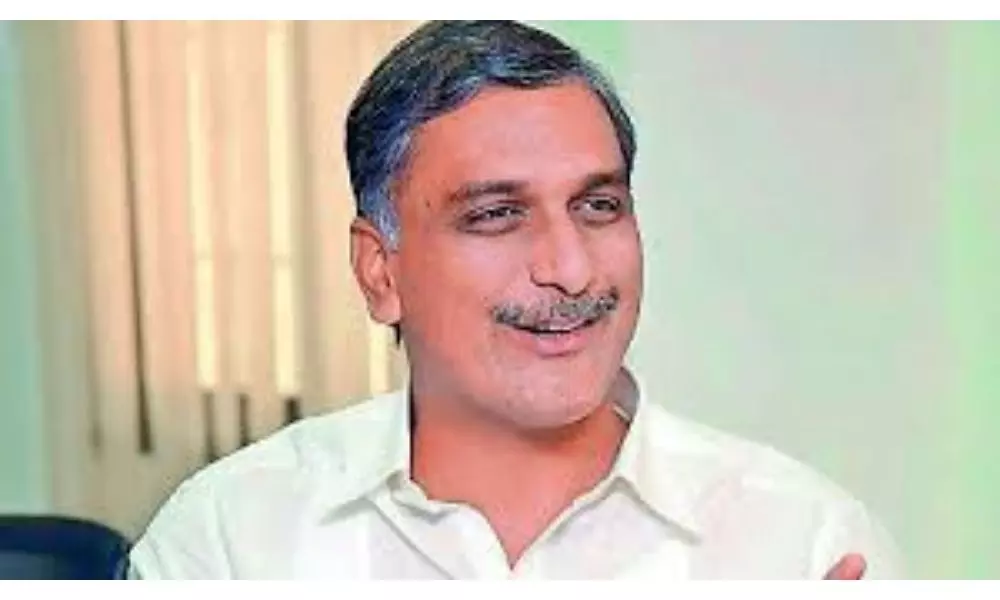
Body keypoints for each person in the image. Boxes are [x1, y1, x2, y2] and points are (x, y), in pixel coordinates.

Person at [128, 20, 903, 579]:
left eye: (598, 206)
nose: (570, 269)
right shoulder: (231, 539)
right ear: (379, 272)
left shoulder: (804, 542)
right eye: (497, 215)